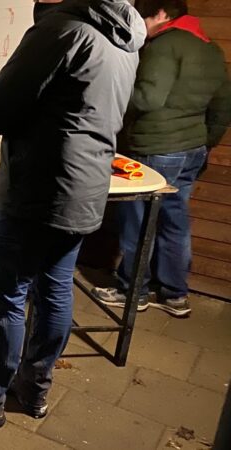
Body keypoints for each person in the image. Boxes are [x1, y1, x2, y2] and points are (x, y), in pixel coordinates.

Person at [0, 0, 145, 432]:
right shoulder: (126, 37)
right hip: (85, 189)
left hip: (39, 189)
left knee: (7, 297)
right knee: (55, 289)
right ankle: (33, 388)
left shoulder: (61, 29)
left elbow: (3, 110)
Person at [92, 0, 231, 318]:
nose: (139, 24)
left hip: (155, 149)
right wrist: (206, 143)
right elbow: (223, 105)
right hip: (192, 149)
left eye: (142, 16)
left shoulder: (162, 45)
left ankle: (133, 292)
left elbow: (148, 98)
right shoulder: (210, 48)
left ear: (162, 14)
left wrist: (111, 96)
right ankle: (174, 294)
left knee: (139, 223)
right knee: (174, 222)